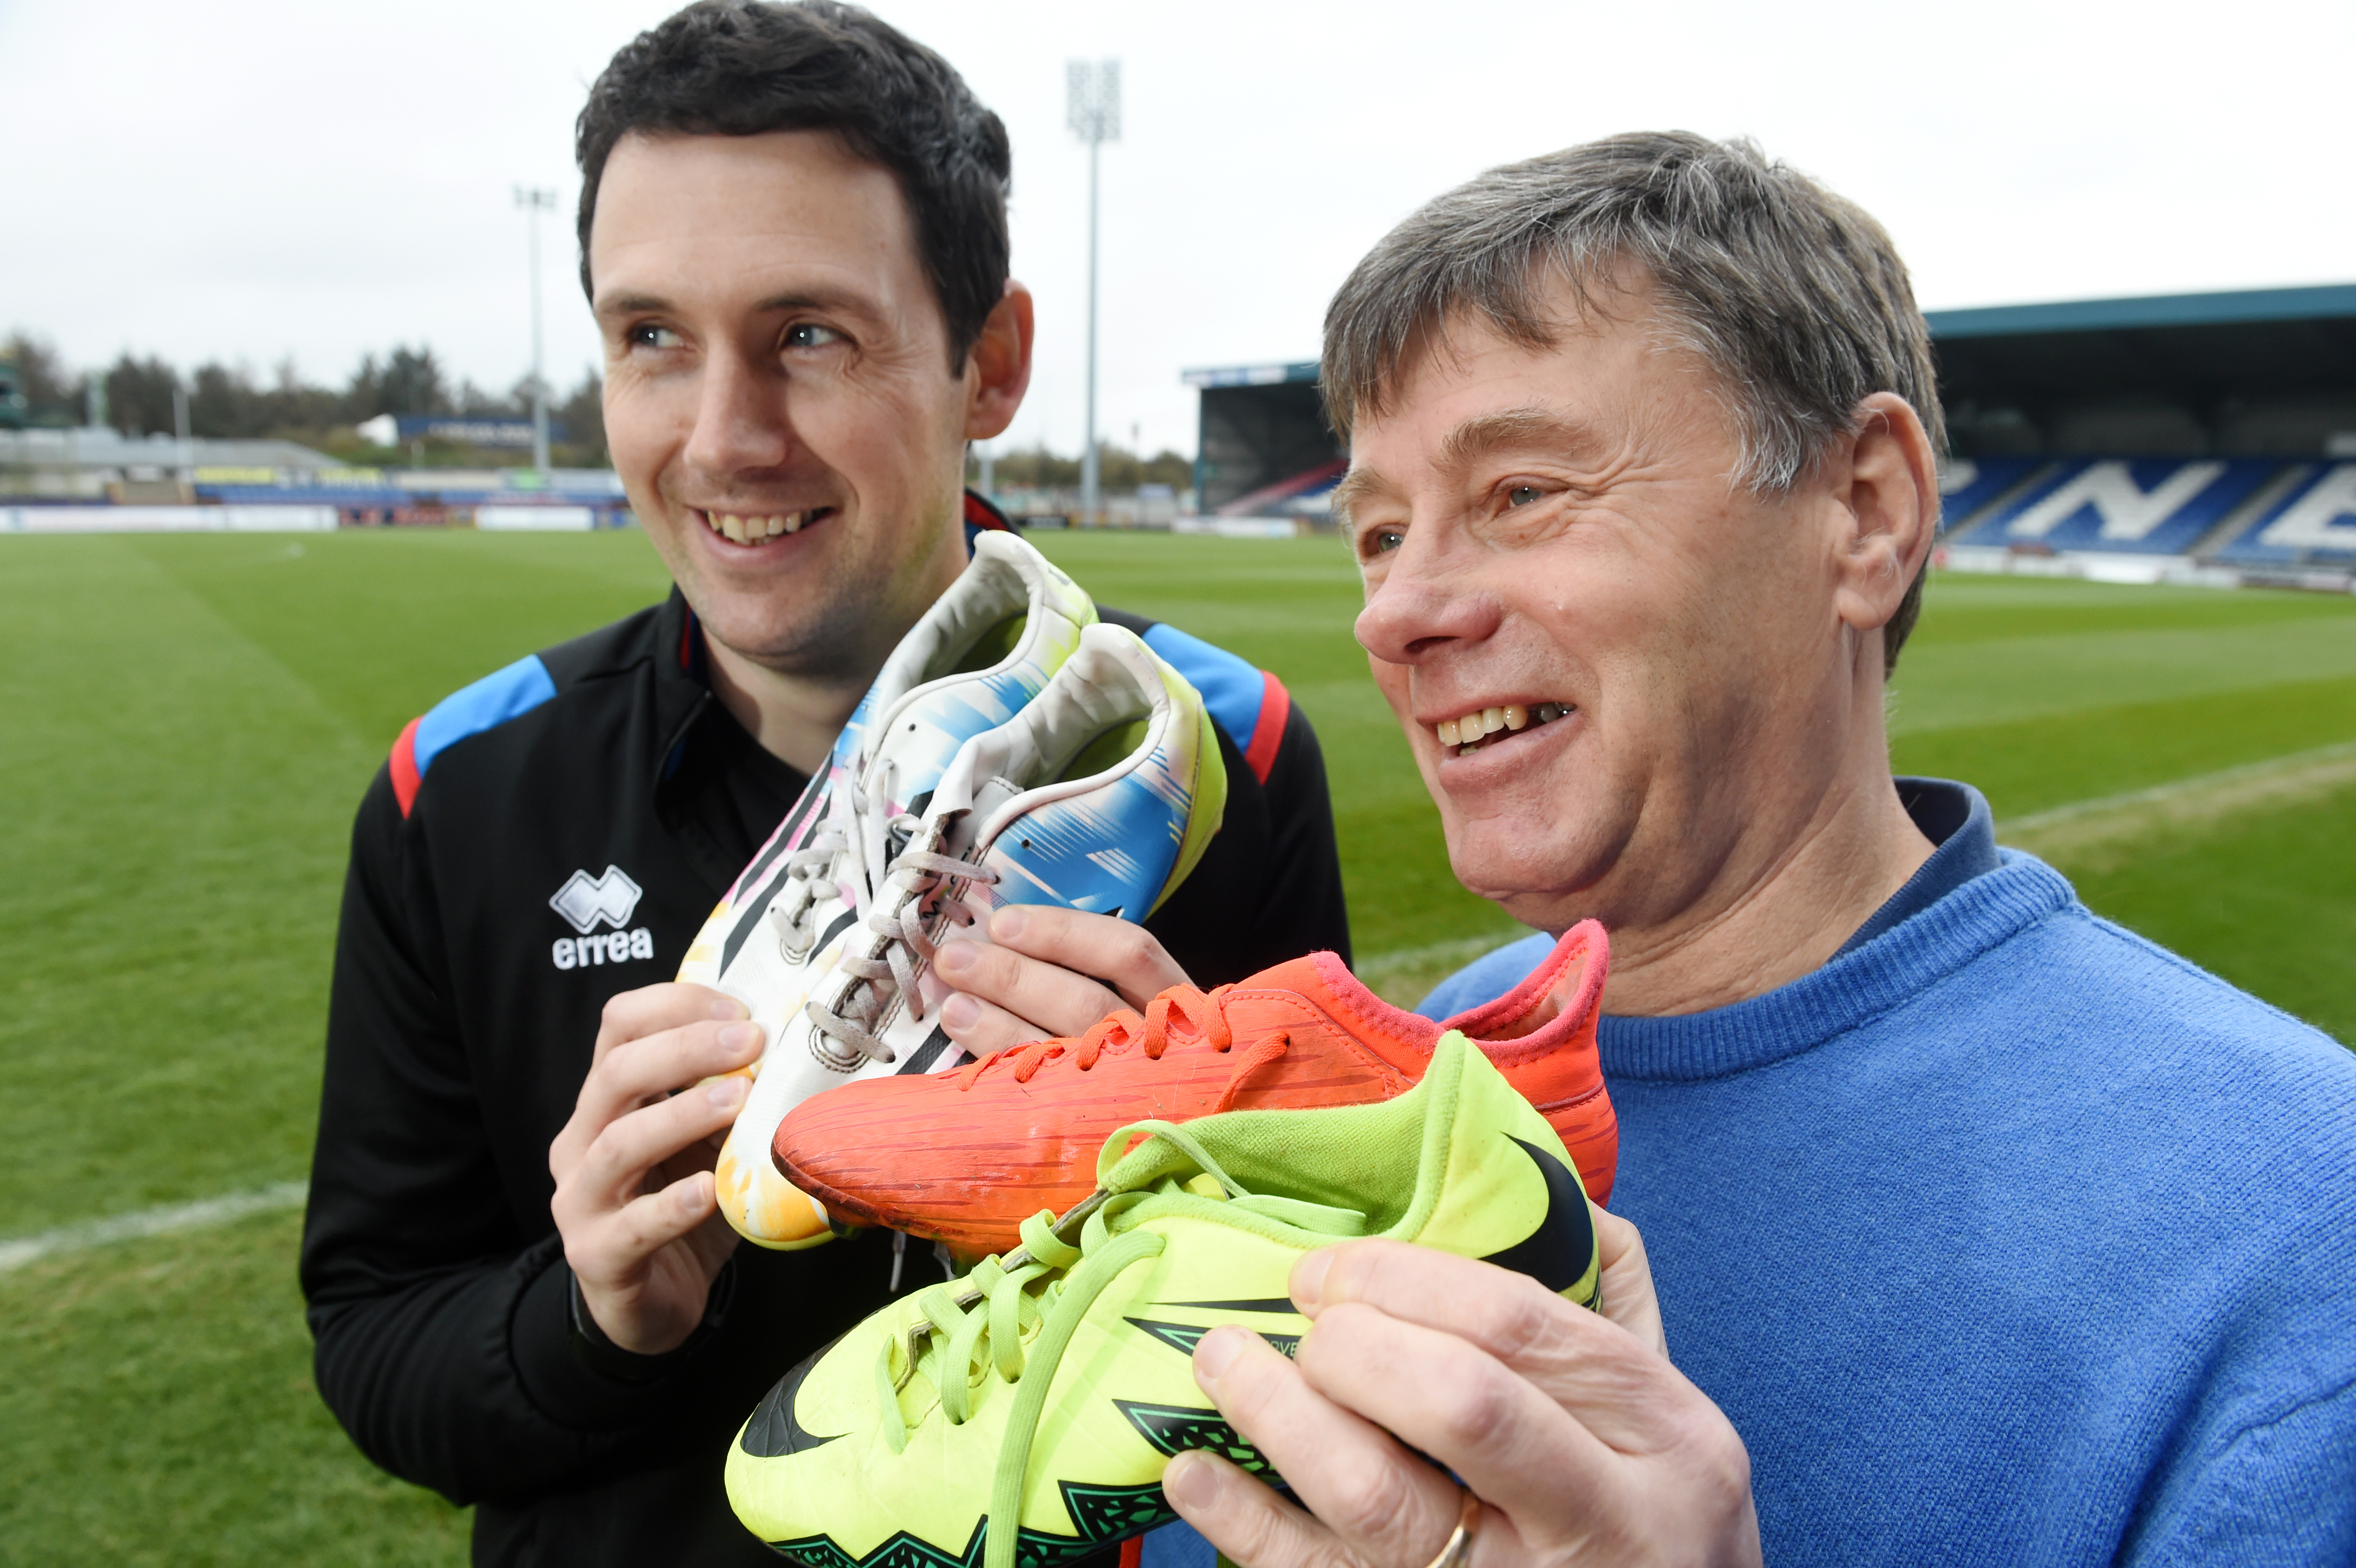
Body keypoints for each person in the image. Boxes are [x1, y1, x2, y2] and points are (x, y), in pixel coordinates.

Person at [1150, 133, 2356, 1567]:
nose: (1394, 613)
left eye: (1522, 493)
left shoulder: (2297, 1227)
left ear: (1865, 513)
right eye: (1379, 532)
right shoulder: (1419, 1062)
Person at [296, 6, 1350, 1564]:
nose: (723, 438)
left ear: (987, 363)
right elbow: (377, 1340)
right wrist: (595, 1316)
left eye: (807, 335)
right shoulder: (458, 792)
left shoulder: (1217, 758)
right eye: (650, 335)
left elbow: (1317, 1303)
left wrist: (1172, 1172)